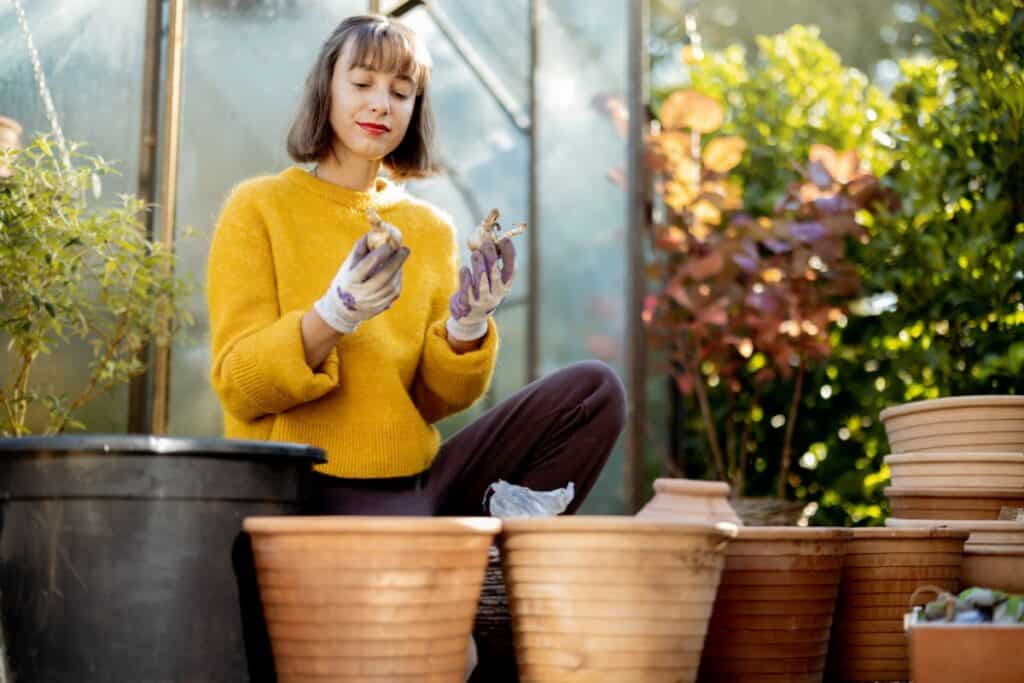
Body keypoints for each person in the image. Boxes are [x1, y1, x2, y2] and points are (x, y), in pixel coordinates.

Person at [208, 13, 625, 522]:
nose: (381, 104)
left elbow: (435, 399)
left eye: (402, 92)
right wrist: (333, 315)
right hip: (302, 485)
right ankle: (464, 562)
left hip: (414, 483)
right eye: (361, 83)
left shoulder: (429, 228)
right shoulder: (259, 207)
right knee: (404, 555)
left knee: (593, 391)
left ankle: (506, 552)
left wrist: (465, 326)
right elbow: (238, 385)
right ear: (326, 90)